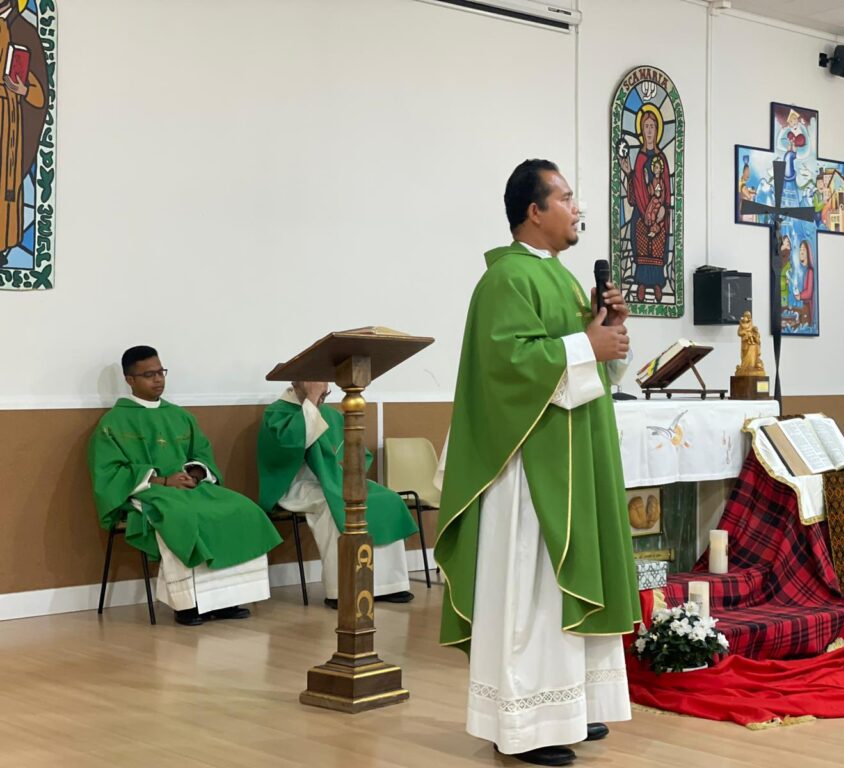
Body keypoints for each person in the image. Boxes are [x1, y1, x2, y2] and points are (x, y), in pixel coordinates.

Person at [435, 159, 641, 767]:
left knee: (562, 587)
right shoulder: (505, 280)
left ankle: (568, 707)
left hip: (573, 455)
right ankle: (524, 722)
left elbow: (596, 367)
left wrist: (609, 332)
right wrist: (586, 344)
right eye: (567, 198)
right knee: (533, 588)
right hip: (528, 469)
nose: (578, 209)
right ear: (535, 210)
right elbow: (508, 367)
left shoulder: (565, 280)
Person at [88, 346, 283, 626]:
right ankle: (188, 604)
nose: (158, 379)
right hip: (147, 490)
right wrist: (162, 480)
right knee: (178, 516)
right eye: (149, 375)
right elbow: (109, 472)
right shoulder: (113, 422)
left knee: (242, 508)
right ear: (129, 380)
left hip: (189, 487)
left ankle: (227, 599)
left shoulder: (180, 416)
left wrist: (195, 474)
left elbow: (201, 453)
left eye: (161, 372)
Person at [257, 381, 419, 606]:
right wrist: (311, 400)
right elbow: (287, 448)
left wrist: (346, 467)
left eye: (324, 387)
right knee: (334, 504)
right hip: (297, 485)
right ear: (297, 382)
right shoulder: (277, 413)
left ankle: (389, 584)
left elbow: (358, 450)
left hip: (337, 481)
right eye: (315, 385)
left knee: (387, 499)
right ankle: (342, 589)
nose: (322, 391)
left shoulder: (332, 415)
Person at [0, 0, 47, 267]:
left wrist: (23, 90)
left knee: (5, 184)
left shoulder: (24, 32)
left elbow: (39, 94)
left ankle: (1, 243)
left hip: (7, 123)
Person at [618, 106, 671, 303]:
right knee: (640, 243)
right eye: (646, 126)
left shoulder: (662, 159)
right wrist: (628, 173)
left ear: (657, 130)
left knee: (657, 245)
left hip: (659, 214)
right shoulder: (639, 159)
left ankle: (657, 283)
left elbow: (667, 188)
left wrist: (663, 209)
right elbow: (634, 196)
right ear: (642, 130)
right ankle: (641, 283)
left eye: (652, 126)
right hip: (641, 215)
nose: (649, 130)